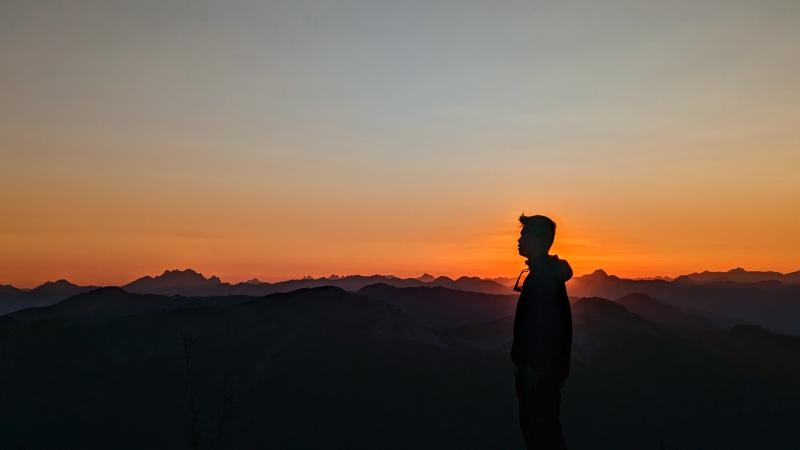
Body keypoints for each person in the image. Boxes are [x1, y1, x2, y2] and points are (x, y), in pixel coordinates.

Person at [511, 214, 573, 450]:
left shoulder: (543, 279)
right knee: (544, 432)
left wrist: (532, 368)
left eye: (524, 234)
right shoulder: (542, 275)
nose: (519, 239)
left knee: (541, 435)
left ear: (537, 240)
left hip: (539, 374)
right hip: (542, 372)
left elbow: (546, 328)